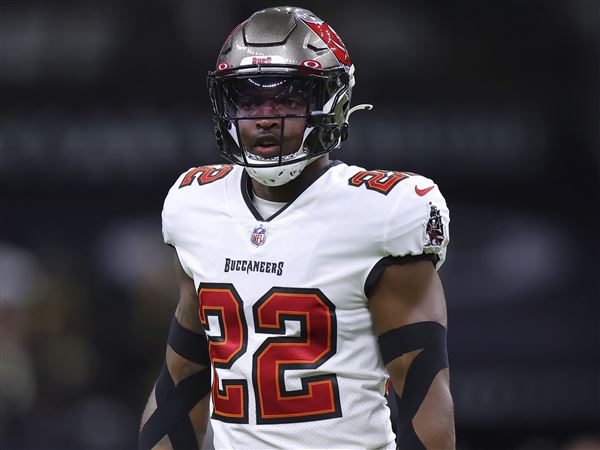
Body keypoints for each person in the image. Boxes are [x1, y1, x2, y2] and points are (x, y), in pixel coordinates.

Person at [139, 6, 455, 450]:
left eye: (288, 99)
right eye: (248, 101)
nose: (266, 117)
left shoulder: (384, 212)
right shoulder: (195, 204)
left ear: (332, 101)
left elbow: (422, 390)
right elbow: (182, 380)